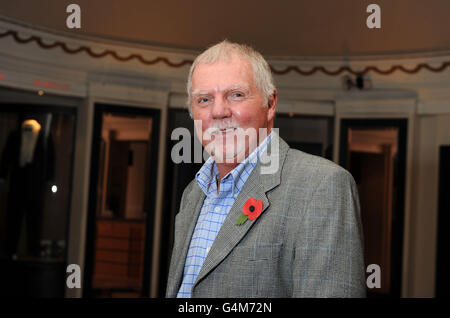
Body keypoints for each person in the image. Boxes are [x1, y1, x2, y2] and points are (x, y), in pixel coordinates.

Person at [166, 40, 366, 297]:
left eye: (236, 95)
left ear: (270, 104)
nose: (218, 111)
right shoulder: (193, 193)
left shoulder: (322, 186)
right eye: (204, 99)